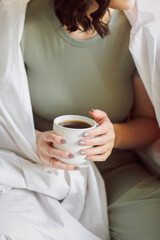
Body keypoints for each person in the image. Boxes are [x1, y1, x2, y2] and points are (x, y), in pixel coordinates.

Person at [0, 0, 160, 239]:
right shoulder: (20, 22)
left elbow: (149, 124)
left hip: (118, 172)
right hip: (42, 171)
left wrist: (113, 136)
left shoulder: (140, 28)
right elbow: (6, 120)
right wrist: (33, 141)